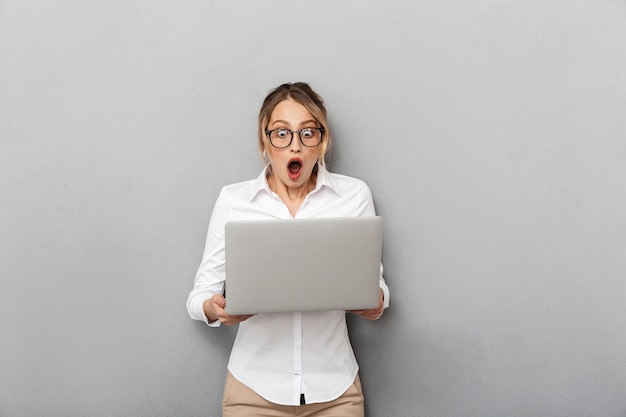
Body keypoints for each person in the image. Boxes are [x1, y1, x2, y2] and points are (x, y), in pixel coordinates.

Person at [187, 82, 390, 417]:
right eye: (281, 133)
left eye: (307, 133)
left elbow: (376, 286)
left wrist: (377, 301)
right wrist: (215, 308)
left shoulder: (354, 196)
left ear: (321, 142)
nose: (295, 145)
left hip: (336, 391)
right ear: (265, 142)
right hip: (252, 393)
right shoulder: (234, 201)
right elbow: (198, 297)